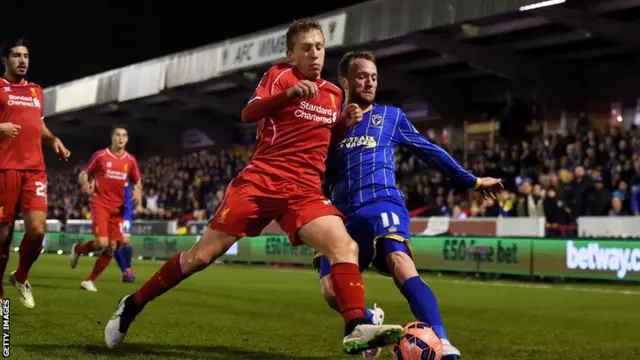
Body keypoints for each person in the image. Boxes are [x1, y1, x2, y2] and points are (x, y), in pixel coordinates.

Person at [104, 19, 404, 355]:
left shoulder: (334, 94)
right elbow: (249, 113)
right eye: (306, 48)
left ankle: (356, 328)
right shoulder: (280, 75)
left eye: (319, 47)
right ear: (291, 54)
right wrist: (287, 94)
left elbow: (321, 142)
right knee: (201, 257)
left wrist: (341, 126)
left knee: (344, 247)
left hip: (304, 190)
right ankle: (132, 304)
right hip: (261, 181)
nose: (315, 54)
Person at [315, 51, 504, 359]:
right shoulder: (327, 122)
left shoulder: (391, 117)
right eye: (362, 76)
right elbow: (317, 165)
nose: (370, 82)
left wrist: (472, 181)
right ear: (344, 81)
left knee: (400, 262)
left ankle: (440, 340)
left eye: (374, 77)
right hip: (338, 213)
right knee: (329, 290)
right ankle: (367, 322)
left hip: (382, 202)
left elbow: (430, 151)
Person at [0, 38, 71, 308]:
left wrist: (52, 139)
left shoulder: (36, 91)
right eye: (16, 55)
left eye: (26, 56)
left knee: (38, 230)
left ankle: (20, 276)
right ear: (5, 60)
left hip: (34, 169)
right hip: (4, 169)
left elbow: (37, 124)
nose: (22, 61)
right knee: (3, 236)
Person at [68, 125, 142, 291]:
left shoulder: (130, 161)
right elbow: (84, 174)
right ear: (112, 138)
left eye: (124, 135)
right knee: (102, 243)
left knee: (112, 247)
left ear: (127, 139)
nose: (120, 138)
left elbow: (138, 181)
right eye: (117, 135)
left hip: (119, 209)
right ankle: (78, 250)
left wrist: (138, 193)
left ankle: (89, 280)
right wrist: (86, 185)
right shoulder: (101, 156)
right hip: (100, 203)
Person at [113, 179, 135, 283]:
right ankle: (126, 272)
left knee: (125, 241)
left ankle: (127, 270)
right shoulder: (111, 175)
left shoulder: (127, 172)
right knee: (115, 244)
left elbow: (138, 183)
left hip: (126, 212)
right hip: (113, 211)